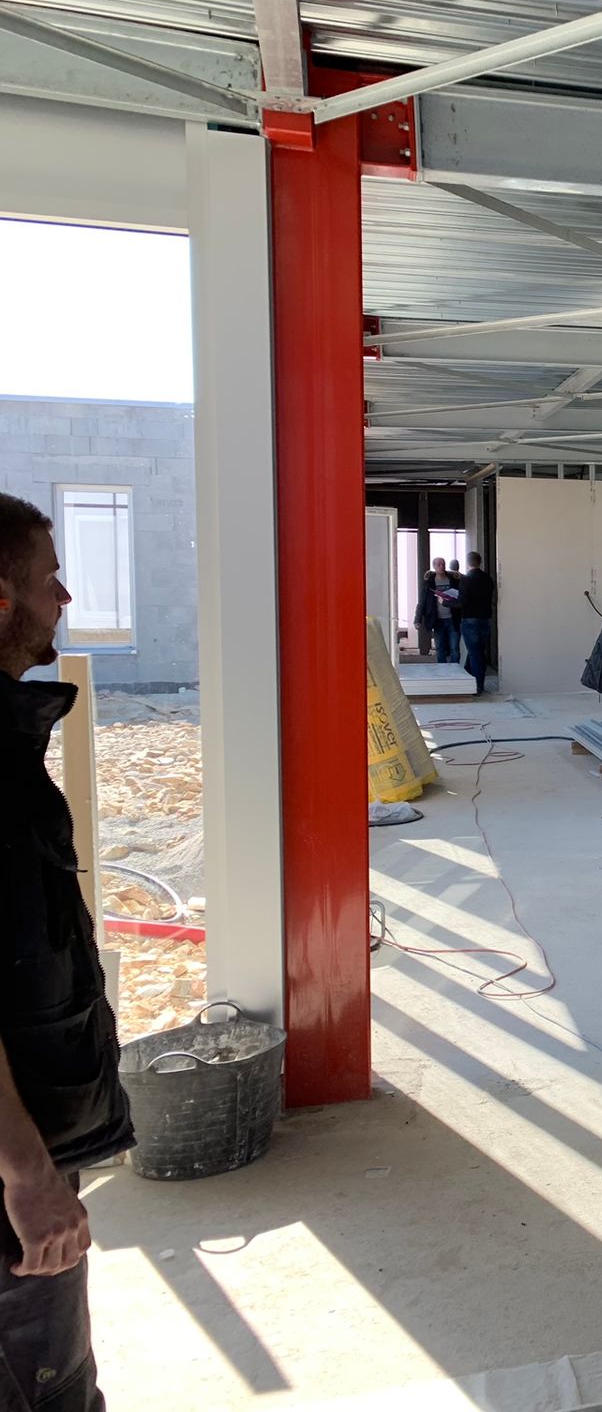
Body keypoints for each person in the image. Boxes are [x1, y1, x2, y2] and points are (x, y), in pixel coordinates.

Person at [0, 492, 135, 1412]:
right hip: (11, 1165)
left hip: (30, 1128)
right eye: (48, 576)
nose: (66, 595)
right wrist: (24, 1172)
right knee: (45, 1387)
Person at [458, 551, 494, 695]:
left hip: (470, 619)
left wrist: (445, 601)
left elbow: (462, 601)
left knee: (474, 653)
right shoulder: (488, 579)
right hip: (485, 618)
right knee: (479, 651)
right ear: (480, 562)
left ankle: (477, 686)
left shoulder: (466, 580)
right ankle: (469, 679)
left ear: (467, 563)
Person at [414, 557, 462, 663]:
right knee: (440, 649)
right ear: (434, 567)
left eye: (443, 564)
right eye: (439, 564)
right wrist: (417, 619)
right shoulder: (429, 583)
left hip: (452, 619)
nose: (442, 566)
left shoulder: (453, 580)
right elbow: (422, 602)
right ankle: (443, 672)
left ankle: (455, 673)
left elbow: (461, 597)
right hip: (437, 620)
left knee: (455, 648)